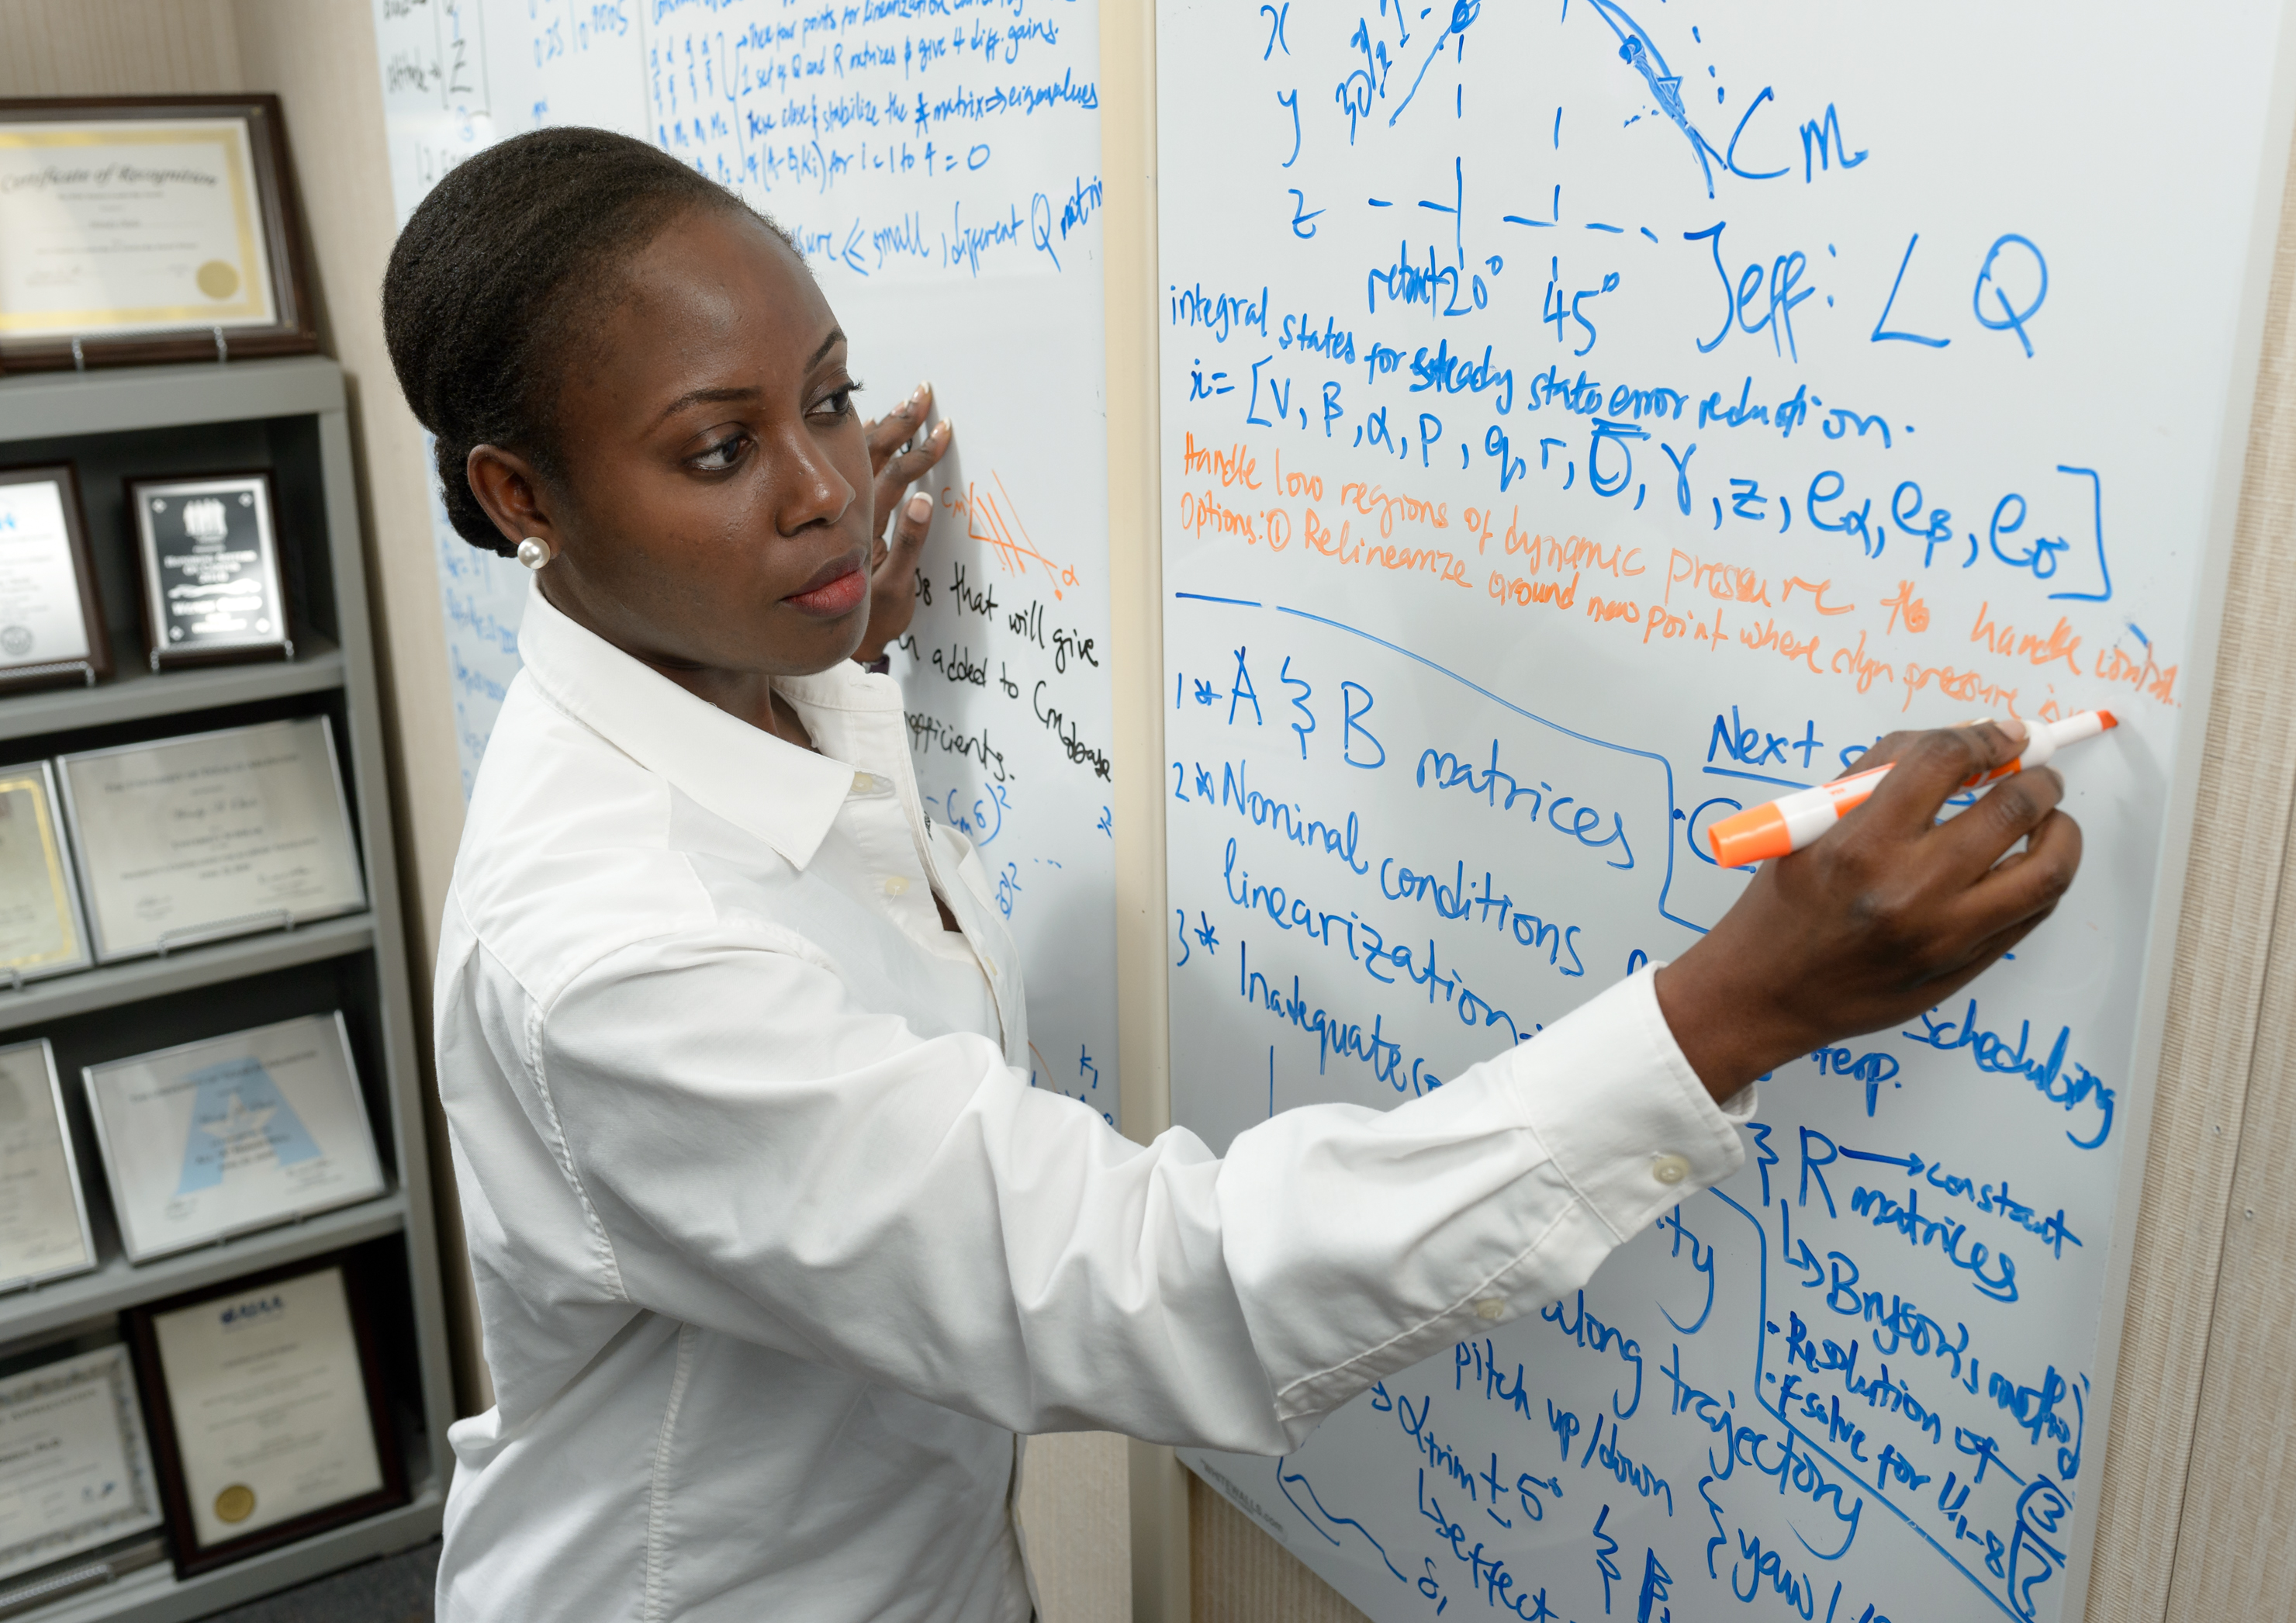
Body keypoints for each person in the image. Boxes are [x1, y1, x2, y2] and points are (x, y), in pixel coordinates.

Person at [382, 128, 2081, 1622]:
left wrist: (831, 643)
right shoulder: (617, 960)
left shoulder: (720, 673)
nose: (828, 490)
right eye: (717, 452)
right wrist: (1728, 1011)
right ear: (521, 491)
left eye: (827, 397)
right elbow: (1152, 1282)